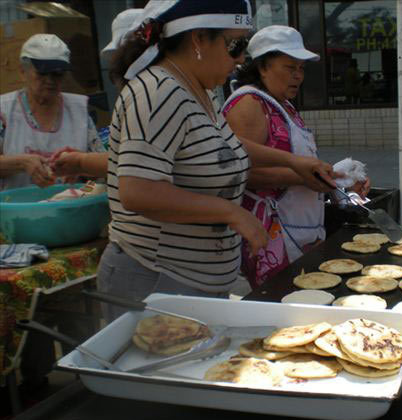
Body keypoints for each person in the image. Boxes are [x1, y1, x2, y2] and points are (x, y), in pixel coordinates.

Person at [98, 1, 336, 321]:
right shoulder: (158, 92)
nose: (240, 59)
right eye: (235, 45)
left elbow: (221, 145)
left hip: (197, 282)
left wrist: (292, 161)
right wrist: (232, 212)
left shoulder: (199, 90)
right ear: (198, 39)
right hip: (157, 279)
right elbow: (137, 191)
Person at [222, 25, 370, 287]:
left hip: (302, 228)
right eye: (290, 68)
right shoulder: (248, 103)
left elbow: (299, 164)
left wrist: (336, 180)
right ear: (263, 66)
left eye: (301, 69)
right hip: (270, 234)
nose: (298, 76)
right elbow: (239, 171)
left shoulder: (283, 105)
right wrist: (302, 178)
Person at [0, 34, 105, 191]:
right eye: (42, 73)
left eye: (57, 73)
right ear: (23, 72)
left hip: (71, 210)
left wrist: (81, 168)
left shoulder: (78, 111)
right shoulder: (4, 111)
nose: (50, 80)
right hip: (16, 210)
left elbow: (104, 172)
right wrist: (22, 162)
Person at [51, 8, 144, 179]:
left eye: (57, 74)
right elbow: (119, 164)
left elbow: (139, 164)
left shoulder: (150, 97)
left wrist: (81, 162)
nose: (49, 81)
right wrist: (83, 167)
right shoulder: (134, 97)